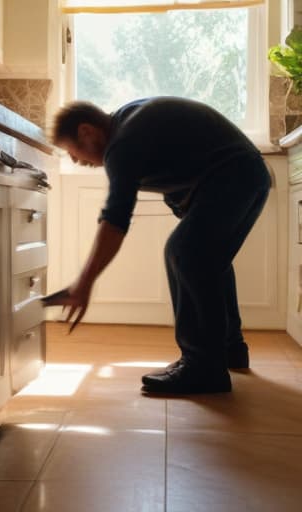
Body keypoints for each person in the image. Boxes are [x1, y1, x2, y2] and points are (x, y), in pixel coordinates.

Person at [42, 97, 271, 394]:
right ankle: (228, 351)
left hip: (236, 175)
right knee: (206, 258)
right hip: (248, 175)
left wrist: (83, 284)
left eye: (71, 151)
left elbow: (115, 219)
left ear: (87, 132)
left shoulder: (121, 144)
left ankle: (203, 365)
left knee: (185, 252)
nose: (76, 160)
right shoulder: (128, 123)